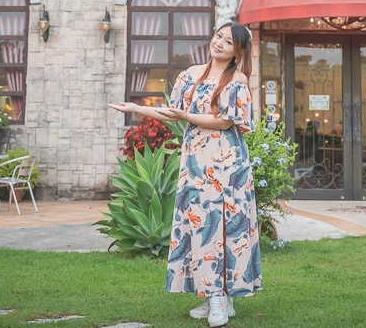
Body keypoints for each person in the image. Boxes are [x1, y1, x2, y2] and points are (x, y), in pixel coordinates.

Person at [107, 21, 262, 328]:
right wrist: (136, 107)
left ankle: (220, 297)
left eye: (227, 42)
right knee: (200, 222)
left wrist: (187, 116)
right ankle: (213, 296)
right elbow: (172, 112)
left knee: (224, 225)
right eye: (218, 36)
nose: (218, 43)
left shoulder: (238, 79)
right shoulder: (189, 74)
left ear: (238, 51)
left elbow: (225, 122)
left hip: (227, 162)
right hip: (195, 160)